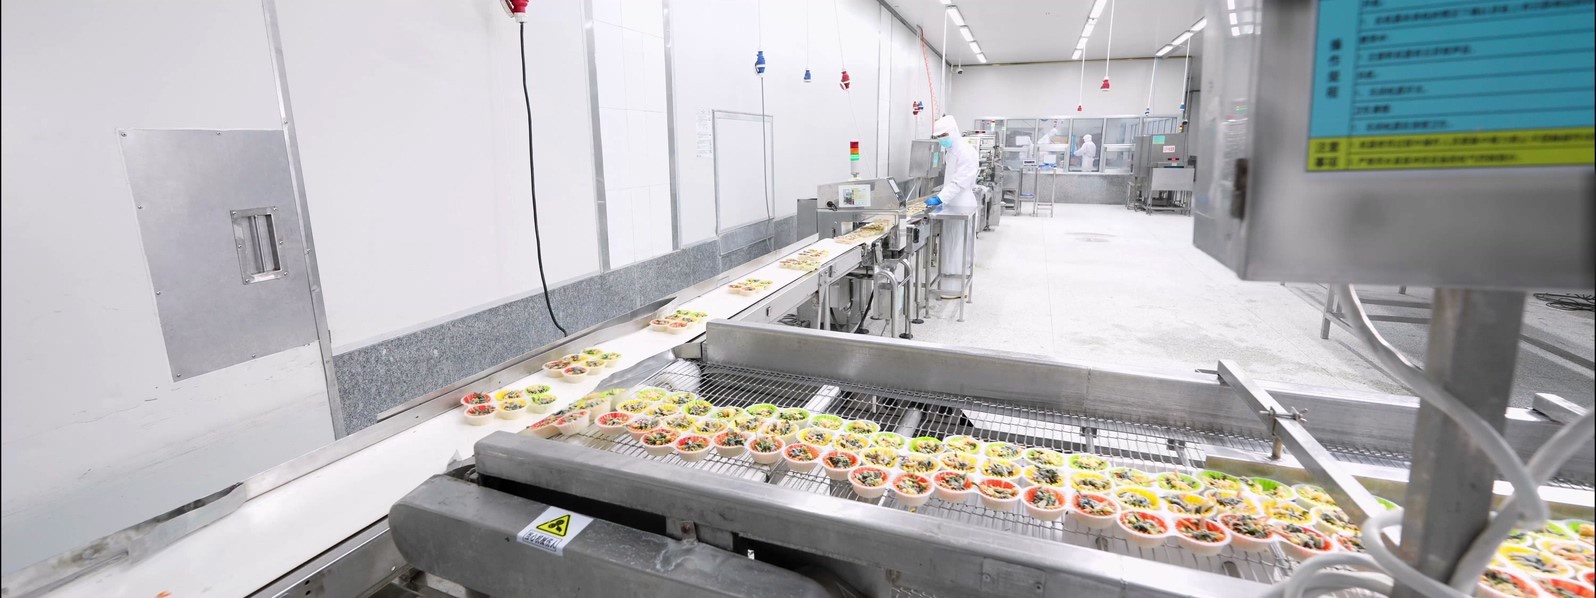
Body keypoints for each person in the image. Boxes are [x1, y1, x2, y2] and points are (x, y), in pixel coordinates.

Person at [926, 115, 979, 298]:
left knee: (959, 246)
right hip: (951, 204)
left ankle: (957, 287)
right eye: (938, 136)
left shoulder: (965, 151)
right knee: (949, 244)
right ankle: (948, 285)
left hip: (962, 203)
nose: (942, 139)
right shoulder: (951, 151)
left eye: (944, 135)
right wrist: (942, 196)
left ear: (954, 131)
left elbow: (959, 182)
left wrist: (940, 198)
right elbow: (950, 180)